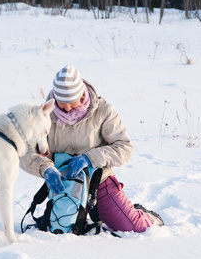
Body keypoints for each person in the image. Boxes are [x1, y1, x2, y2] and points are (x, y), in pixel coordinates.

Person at [20, 65, 163, 233]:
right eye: (61, 103)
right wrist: (45, 168)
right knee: (62, 229)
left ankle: (146, 215)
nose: (66, 109)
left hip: (98, 182)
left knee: (132, 226)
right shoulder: (43, 115)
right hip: (63, 184)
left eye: (70, 103)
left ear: (81, 95)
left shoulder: (103, 111)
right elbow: (25, 153)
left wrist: (90, 158)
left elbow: (124, 148)